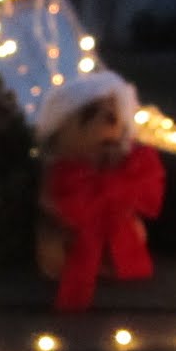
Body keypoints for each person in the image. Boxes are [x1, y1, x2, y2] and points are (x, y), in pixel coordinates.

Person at [34, 70, 165, 310]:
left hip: (113, 226)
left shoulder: (123, 162)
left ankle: (113, 264)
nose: (106, 123)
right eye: (91, 114)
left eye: (112, 116)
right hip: (69, 232)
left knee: (131, 232)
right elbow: (52, 198)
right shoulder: (64, 171)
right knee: (56, 247)